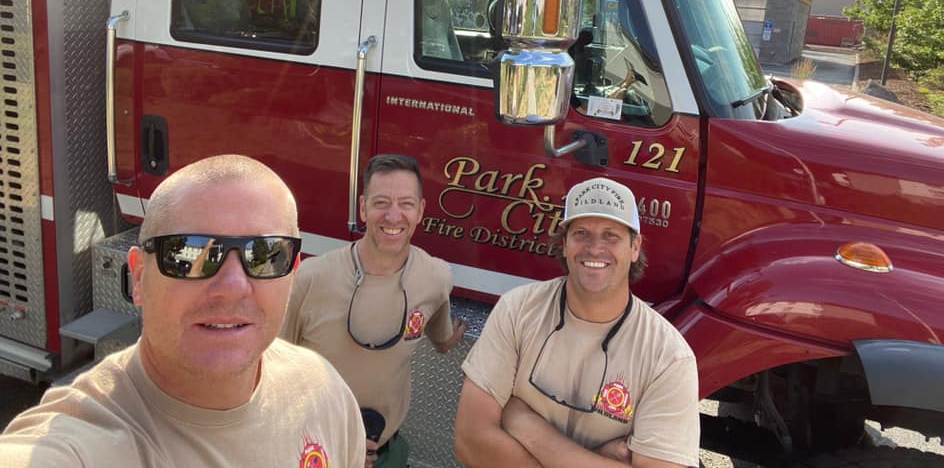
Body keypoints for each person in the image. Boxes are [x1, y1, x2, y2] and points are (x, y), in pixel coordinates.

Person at [0, 155, 366, 468]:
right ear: (140, 277)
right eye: (190, 254)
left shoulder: (323, 391)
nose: (233, 286)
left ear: (292, 274)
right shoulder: (85, 442)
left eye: (266, 255)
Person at [454, 177, 700, 468]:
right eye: (581, 233)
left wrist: (523, 423)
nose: (594, 248)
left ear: (635, 247)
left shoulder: (669, 356)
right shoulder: (517, 310)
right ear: (565, 244)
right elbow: (470, 442)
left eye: (611, 235)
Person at [282, 153, 467, 468]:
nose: (394, 217)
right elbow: (270, 369)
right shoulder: (311, 279)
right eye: (381, 202)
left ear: (420, 211)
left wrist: (452, 340)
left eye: (406, 204)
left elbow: (441, 337)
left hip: (385, 452)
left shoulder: (436, 278)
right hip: (311, 450)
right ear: (363, 208)